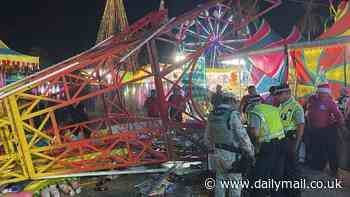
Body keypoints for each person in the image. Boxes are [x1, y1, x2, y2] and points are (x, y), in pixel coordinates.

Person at [205, 92, 255, 197]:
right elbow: (242, 136)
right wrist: (250, 152)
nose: (236, 104)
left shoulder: (212, 114)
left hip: (216, 154)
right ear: (231, 101)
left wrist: (212, 150)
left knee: (220, 180)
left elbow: (207, 137)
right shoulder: (232, 114)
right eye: (236, 102)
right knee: (235, 182)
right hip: (232, 156)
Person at [247, 98, 286, 197]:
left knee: (260, 175)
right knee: (276, 174)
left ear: (250, 105)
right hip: (281, 142)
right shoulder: (272, 108)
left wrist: (256, 148)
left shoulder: (255, 111)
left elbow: (255, 132)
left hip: (267, 145)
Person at [305, 83, 346, 177]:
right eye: (321, 94)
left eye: (325, 94)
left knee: (331, 149)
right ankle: (317, 167)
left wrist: (342, 127)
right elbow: (307, 110)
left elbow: (338, 116)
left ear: (327, 94)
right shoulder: (311, 99)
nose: (323, 96)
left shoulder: (330, 102)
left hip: (328, 129)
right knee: (317, 148)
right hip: (314, 129)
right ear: (318, 93)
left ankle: (334, 170)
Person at [275, 83, 305, 197]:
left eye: (279, 94)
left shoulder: (296, 107)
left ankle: (295, 194)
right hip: (281, 141)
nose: (277, 96)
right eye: (277, 94)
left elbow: (301, 127)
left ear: (288, 93)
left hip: (291, 141)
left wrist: (296, 146)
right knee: (283, 170)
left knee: (293, 171)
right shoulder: (280, 106)